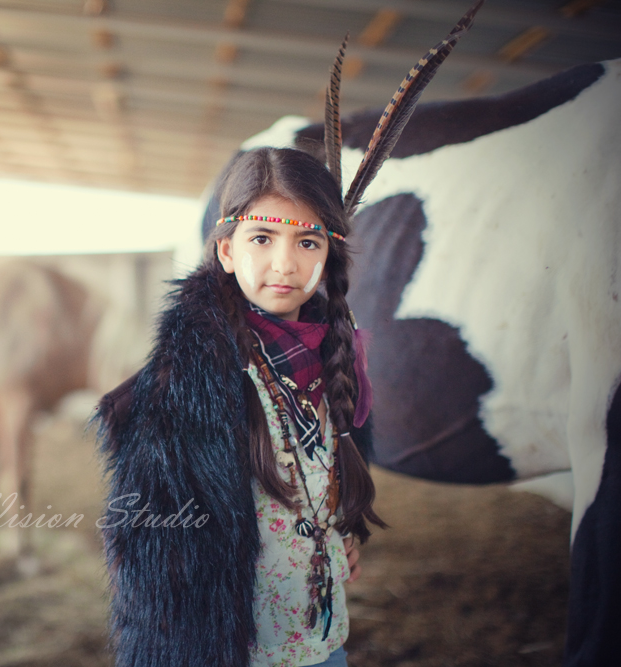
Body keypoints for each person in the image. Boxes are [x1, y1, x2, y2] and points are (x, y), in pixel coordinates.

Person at [93, 4, 483, 666]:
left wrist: (331, 538)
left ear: (329, 253)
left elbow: (320, 473)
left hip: (323, 641)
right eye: (262, 238)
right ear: (224, 250)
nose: (285, 263)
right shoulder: (186, 385)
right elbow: (156, 568)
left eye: (307, 240)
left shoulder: (326, 354)